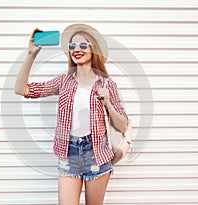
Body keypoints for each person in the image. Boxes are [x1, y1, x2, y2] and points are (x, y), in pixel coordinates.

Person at [14, 23, 129, 205]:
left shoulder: (107, 84)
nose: (77, 49)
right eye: (72, 46)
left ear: (93, 49)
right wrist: (31, 54)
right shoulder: (63, 81)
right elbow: (22, 89)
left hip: (97, 155)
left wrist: (107, 102)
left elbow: (123, 125)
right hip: (69, 156)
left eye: (83, 45)